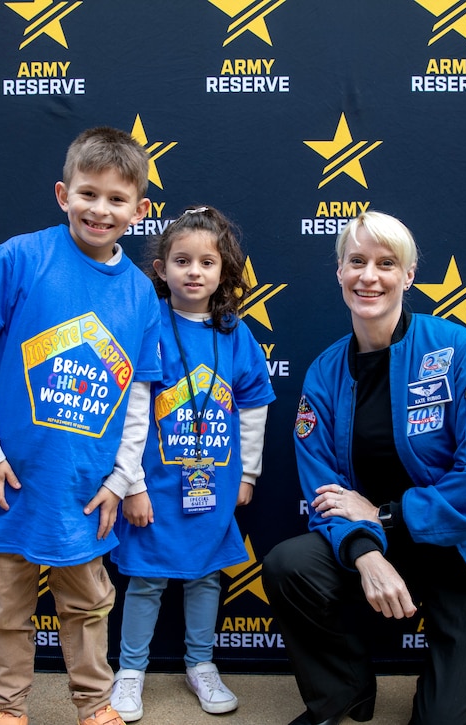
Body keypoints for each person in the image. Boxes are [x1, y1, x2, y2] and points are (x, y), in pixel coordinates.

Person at [262, 211, 466, 725]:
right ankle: (343, 694)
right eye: (356, 261)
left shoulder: (455, 349)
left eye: (387, 264)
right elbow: (325, 488)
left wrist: (382, 515)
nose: (369, 276)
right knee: (289, 565)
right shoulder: (324, 370)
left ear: (407, 276)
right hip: (385, 546)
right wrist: (364, 551)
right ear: (339, 271)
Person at [0, 126, 162, 725]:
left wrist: (123, 478)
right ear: (63, 194)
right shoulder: (21, 257)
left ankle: (94, 703)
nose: (101, 209)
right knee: (6, 606)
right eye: (88, 194)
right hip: (9, 478)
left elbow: (140, 395)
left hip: (86, 486)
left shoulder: (143, 294)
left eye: (117, 199)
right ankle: (7, 709)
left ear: (139, 210)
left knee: (89, 604)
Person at [108, 206, 276, 721]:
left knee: (206, 578)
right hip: (155, 485)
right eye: (182, 260)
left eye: (207, 262)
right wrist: (130, 482)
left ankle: (201, 664)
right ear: (161, 269)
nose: (195, 271)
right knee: (147, 579)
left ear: (224, 270)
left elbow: (253, 405)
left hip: (214, 485)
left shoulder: (235, 333)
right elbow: (128, 410)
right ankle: (130, 670)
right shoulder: (147, 324)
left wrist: (247, 473)